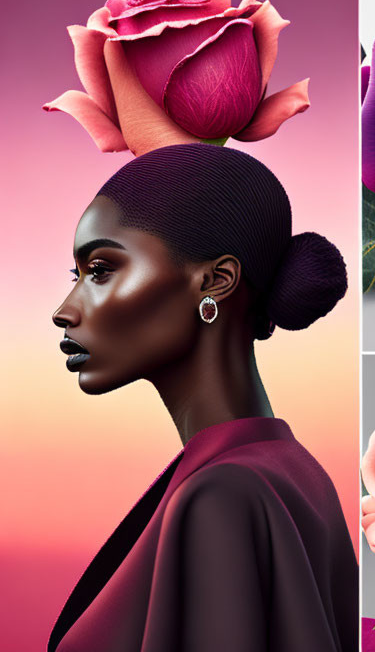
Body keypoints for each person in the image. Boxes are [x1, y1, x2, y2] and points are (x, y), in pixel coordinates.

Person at [49, 143, 357, 652]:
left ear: (215, 281)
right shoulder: (296, 470)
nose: (65, 310)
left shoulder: (221, 496)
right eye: (75, 277)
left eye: (101, 270)